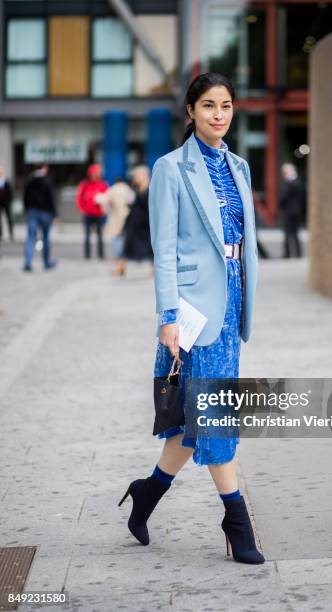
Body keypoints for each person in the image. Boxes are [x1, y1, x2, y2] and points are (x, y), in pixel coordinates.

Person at [118, 73, 264, 565]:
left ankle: (147, 493)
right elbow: (164, 249)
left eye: (225, 105)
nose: (218, 114)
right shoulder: (170, 168)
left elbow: (243, 244)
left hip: (232, 299)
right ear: (190, 111)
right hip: (194, 310)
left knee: (192, 417)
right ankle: (236, 519)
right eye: (208, 105)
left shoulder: (239, 166)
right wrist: (168, 315)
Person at [23, 164, 58, 272]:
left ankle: (28, 262)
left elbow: (25, 197)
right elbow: (51, 199)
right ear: (44, 169)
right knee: (46, 238)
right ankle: (46, 262)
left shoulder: (30, 180)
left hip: (32, 212)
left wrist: (27, 210)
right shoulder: (47, 181)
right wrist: (55, 214)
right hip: (45, 213)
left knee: (31, 238)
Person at [120, 165, 154, 276]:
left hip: (145, 221)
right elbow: (129, 203)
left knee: (150, 245)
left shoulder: (150, 189)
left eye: (138, 175)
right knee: (128, 243)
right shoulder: (134, 188)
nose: (136, 177)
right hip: (134, 220)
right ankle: (121, 267)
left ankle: (154, 268)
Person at [97, 176, 134, 276]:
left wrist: (106, 210)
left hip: (115, 218)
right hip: (127, 216)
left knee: (117, 240)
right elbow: (132, 201)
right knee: (124, 240)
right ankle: (122, 263)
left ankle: (119, 263)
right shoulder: (127, 189)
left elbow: (103, 201)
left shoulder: (112, 189)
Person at [76, 164, 108, 260]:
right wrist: (82, 209)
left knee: (100, 236)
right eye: (95, 173)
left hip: (99, 214)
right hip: (88, 214)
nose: (96, 175)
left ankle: (101, 255)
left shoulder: (103, 184)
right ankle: (87, 255)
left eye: (98, 173)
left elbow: (107, 197)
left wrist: (104, 206)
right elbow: (79, 198)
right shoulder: (85, 184)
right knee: (87, 236)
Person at [279, 162, 306, 258]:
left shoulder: (289, 184)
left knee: (288, 234)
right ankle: (298, 253)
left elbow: (284, 198)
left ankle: (287, 254)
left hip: (289, 212)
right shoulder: (299, 183)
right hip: (297, 212)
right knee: (295, 234)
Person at [0, 166, 14, 244]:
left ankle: (11, 233)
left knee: (9, 218)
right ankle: (0, 234)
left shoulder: (6, 182)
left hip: (6, 203)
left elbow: (10, 193)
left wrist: (9, 201)